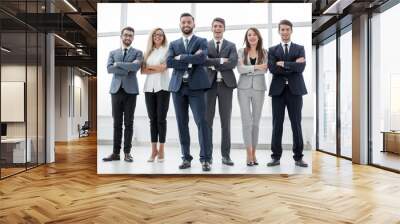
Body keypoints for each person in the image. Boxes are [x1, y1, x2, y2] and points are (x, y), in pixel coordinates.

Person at [166, 13, 212, 171]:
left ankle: (205, 159)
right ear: (180, 25)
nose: (186, 24)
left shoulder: (202, 41)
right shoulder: (173, 43)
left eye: (189, 22)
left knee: (202, 122)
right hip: (178, 88)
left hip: (196, 87)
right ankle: (186, 158)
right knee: (181, 124)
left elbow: (202, 59)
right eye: (183, 22)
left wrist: (182, 57)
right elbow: (169, 62)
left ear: (194, 24)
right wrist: (191, 58)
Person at [267, 19, 308, 167]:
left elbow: (301, 68)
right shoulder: (272, 50)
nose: (284, 32)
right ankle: (275, 157)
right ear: (279, 31)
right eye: (282, 29)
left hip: (295, 91)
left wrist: (283, 63)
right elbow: (272, 69)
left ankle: (298, 157)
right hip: (278, 91)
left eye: (287, 29)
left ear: (291, 31)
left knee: (296, 124)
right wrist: (293, 64)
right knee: (277, 124)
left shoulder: (300, 48)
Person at [103, 26, 143, 163]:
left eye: (130, 35)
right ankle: (115, 153)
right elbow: (109, 69)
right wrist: (127, 68)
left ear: (133, 38)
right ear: (121, 36)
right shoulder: (112, 52)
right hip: (115, 90)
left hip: (131, 91)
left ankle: (127, 153)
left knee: (129, 123)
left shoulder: (138, 53)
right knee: (117, 123)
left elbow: (135, 67)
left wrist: (119, 65)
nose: (128, 37)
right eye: (125, 35)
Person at [204, 17, 238, 166]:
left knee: (226, 122)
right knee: (207, 122)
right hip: (209, 86)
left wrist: (214, 63)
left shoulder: (231, 45)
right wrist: (222, 60)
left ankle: (226, 156)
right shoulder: (205, 45)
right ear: (212, 28)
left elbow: (233, 62)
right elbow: (204, 61)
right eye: (215, 26)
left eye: (220, 26)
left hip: (226, 86)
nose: (218, 28)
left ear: (224, 29)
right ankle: (208, 156)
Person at [237, 28, 268, 166]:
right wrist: (257, 67)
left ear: (258, 37)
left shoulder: (265, 52)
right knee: (246, 122)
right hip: (243, 89)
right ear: (246, 37)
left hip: (259, 88)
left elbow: (265, 69)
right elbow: (240, 69)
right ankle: (248, 154)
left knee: (256, 122)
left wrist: (249, 68)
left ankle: (254, 153)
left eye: (254, 34)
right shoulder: (241, 51)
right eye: (249, 35)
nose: (252, 37)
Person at [141, 28, 170, 163]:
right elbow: (142, 70)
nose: (158, 37)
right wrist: (156, 67)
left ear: (163, 37)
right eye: (156, 35)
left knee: (161, 119)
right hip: (148, 88)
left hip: (163, 87)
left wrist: (151, 68)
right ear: (152, 37)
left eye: (160, 35)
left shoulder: (167, 50)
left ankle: (162, 149)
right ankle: (153, 150)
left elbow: (164, 68)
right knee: (152, 120)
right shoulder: (148, 52)